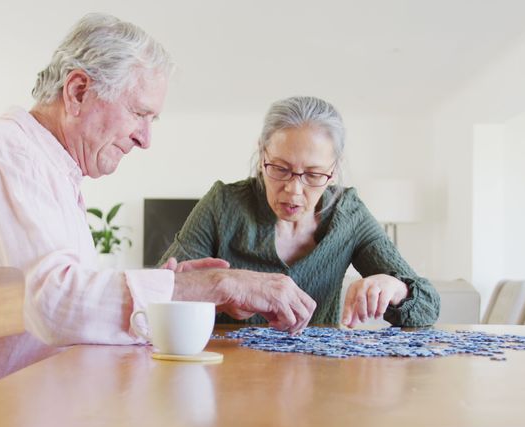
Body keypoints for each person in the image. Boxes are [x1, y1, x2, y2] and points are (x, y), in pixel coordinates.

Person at [0, 14, 315, 376]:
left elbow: (67, 295)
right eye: (140, 113)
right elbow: (52, 304)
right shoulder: (5, 152)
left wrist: (175, 288)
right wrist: (215, 286)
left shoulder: (44, 164)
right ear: (77, 91)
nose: (145, 139)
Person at [159, 96, 440, 328]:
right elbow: (158, 291)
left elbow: (428, 306)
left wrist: (395, 289)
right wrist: (221, 288)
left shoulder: (349, 214)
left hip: (317, 380)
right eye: (280, 169)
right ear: (262, 154)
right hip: (227, 375)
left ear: (334, 170)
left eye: (314, 174)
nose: (293, 190)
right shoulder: (223, 203)